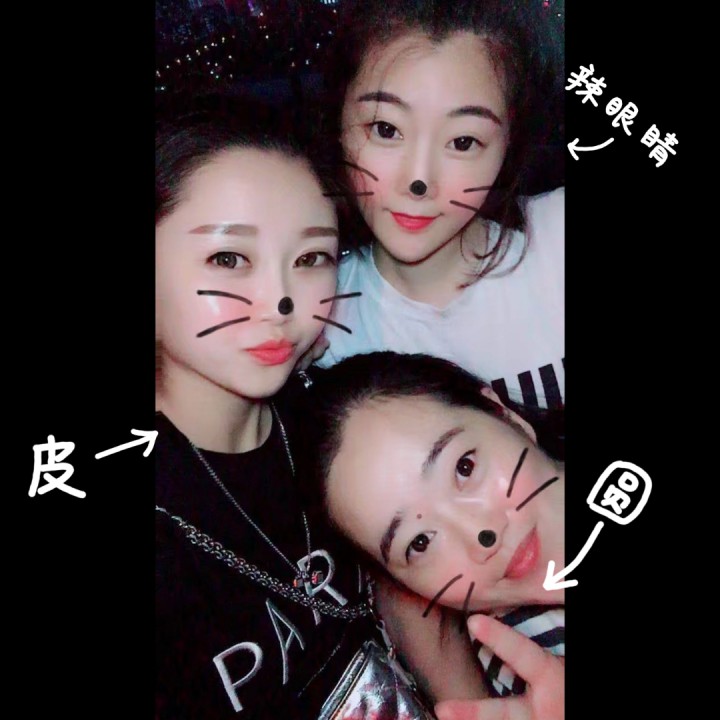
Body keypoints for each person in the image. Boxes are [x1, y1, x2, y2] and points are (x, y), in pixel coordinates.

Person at [155, 95, 445, 719]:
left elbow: (412, 592)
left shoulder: (335, 422)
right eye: (229, 259)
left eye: (311, 259)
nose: (281, 302)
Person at [315, 0, 564, 411]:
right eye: (386, 129)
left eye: (463, 142)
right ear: (338, 125)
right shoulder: (317, 319)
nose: (419, 181)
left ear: (508, 145)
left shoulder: (556, 240)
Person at [307, 351, 565, 711]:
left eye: (464, 467)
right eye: (420, 542)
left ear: (505, 416)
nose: (480, 535)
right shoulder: (524, 674)